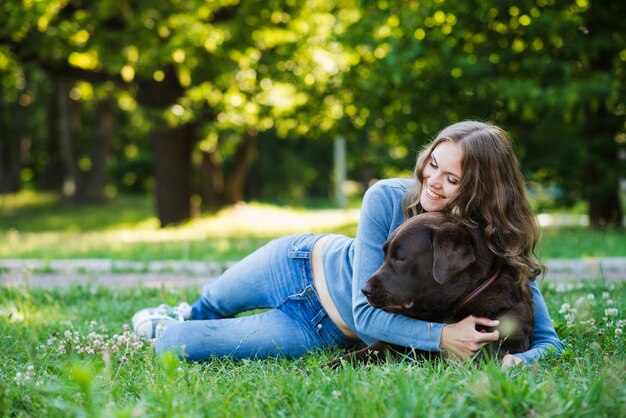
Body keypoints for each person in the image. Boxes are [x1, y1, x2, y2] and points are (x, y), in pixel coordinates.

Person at [132, 120, 564, 368]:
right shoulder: (387, 198)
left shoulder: (497, 244)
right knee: (207, 305)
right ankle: (177, 312)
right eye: (433, 164)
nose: (432, 182)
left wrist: (519, 361)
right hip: (297, 262)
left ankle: (170, 327)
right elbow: (366, 311)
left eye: (452, 179)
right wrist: (443, 337)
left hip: (318, 327)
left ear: (483, 190)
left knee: (177, 344)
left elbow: (547, 339)